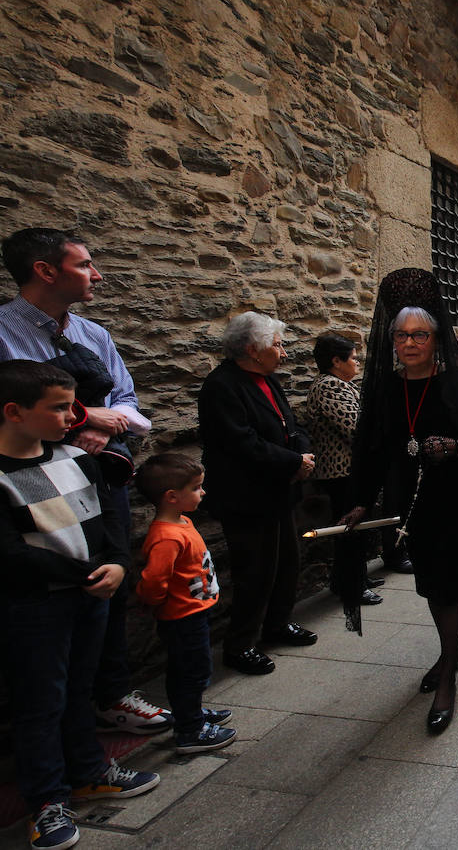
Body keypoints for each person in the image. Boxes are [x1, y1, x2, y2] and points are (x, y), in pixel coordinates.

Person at [0, 227, 172, 736]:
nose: (96, 274)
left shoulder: (93, 335)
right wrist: (83, 420)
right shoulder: (3, 333)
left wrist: (106, 426)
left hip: (100, 477)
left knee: (110, 583)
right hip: (31, 487)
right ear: (45, 271)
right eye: (84, 265)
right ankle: (51, 724)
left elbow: (130, 404)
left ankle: (110, 694)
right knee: (55, 594)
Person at [0, 360, 159, 850]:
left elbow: (110, 521)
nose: (74, 417)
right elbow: (11, 552)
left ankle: (89, 771)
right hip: (36, 606)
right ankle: (47, 799)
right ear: (14, 412)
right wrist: (88, 575)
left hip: (92, 596)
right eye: (60, 408)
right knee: (39, 703)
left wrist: (116, 562)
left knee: (79, 691)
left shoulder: (77, 457)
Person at [342, 268, 458, 735]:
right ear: (391, 340)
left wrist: (453, 447)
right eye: (401, 335)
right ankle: (449, 652)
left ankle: (447, 678)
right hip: (412, 508)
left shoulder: (457, 381)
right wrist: (359, 503)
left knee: (450, 586)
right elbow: (372, 450)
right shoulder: (387, 390)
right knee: (433, 587)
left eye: (420, 334)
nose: (410, 343)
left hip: (454, 499)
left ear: (436, 338)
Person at [198, 312, 317, 677]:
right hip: (248, 496)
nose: (283, 353)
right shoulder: (222, 386)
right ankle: (241, 644)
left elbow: (291, 425)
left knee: (286, 563)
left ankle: (278, 624)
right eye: (277, 345)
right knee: (256, 570)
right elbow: (240, 442)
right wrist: (292, 460)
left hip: (280, 489)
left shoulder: (268, 380)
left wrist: (301, 455)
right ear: (252, 349)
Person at [132, 453, 236, 756]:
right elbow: (153, 582)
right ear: (172, 497)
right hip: (181, 618)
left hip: (194, 612)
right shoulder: (167, 537)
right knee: (189, 671)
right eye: (196, 488)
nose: (202, 492)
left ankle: (192, 712)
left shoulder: (183, 522)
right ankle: (190, 729)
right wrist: (152, 603)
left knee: (195, 669)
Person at [304, 334, 385, 622]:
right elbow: (356, 429)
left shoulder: (343, 385)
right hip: (341, 472)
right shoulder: (330, 386)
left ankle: (352, 579)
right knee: (349, 528)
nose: (357, 362)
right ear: (336, 361)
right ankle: (351, 586)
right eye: (352, 357)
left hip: (350, 471)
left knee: (355, 529)